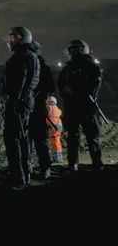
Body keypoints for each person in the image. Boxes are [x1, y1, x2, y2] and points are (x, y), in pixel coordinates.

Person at [1, 26, 40, 186]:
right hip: (27, 100)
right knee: (23, 136)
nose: (10, 42)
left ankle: (17, 175)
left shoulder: (20, 57)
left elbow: (20, 80)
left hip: (19, 101)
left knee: (12, 137)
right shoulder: (32, 56)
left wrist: (15, 100)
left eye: (13, 38)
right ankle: (25, 172)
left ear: (21, 39)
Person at [57, 40, 104, 171]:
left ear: (82, 50)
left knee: (92, 136)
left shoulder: (91, 67)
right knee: (72, 137)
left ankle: (97, 163)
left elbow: (95, 85)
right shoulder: (68, 68)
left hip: (86, 107)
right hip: (72, 107)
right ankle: (73, 164)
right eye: (70, 50)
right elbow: (61, 84)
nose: (72, 53)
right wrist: (68, 94)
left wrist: (76, 91)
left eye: (75, 50)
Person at [28, 50, 55, 180]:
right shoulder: (26, 63)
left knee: (40, 139)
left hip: (37, 107)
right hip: (28, 107)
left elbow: (50, 86)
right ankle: (30, 166)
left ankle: (45, 168)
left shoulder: (42, 67)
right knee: (28, 139)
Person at [45, 96, 64, 163]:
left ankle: (57, 159)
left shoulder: (48, 107)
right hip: (59, 127)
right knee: (57, 142)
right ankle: (59, 158)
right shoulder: (58, 109)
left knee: (54, 142)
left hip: (52, 127)